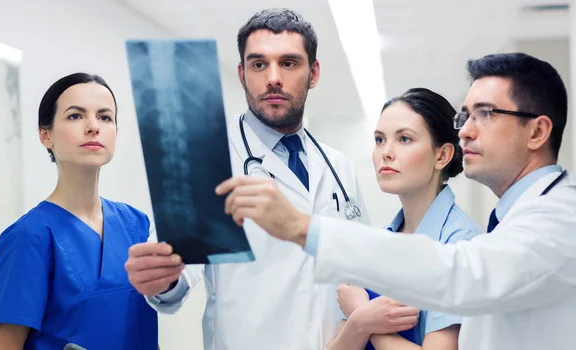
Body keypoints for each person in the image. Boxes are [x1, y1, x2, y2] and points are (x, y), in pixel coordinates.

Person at [216, 52, 576, 350]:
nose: (465, 129)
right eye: (465, 116)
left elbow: (459, 272)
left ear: (538, 131)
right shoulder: (511, 222)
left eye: (485, 114)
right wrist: (359, 322)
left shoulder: (560, 220)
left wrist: (302, 228)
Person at [125, 8, 369, 350]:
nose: (273, 78)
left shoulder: (338, 167)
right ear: (241, 74)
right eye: (258, 64)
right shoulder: (209, 160)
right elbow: (176, 282)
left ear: (313, 73)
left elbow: (358, 267)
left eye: (288, 63)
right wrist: (161, 279)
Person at [0, 73, 158, 350]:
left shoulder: (136, 224)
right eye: (75, 116)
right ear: (46, 135)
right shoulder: (27, 238)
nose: (93, 127)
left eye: (105, 117)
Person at [329, 88, 482, 350]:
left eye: (404, 139)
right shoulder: (378, 243)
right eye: (379, 140)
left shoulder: (460, 246)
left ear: (442, 155)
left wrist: (364, 320)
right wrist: (359, 322)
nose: (386, 152)